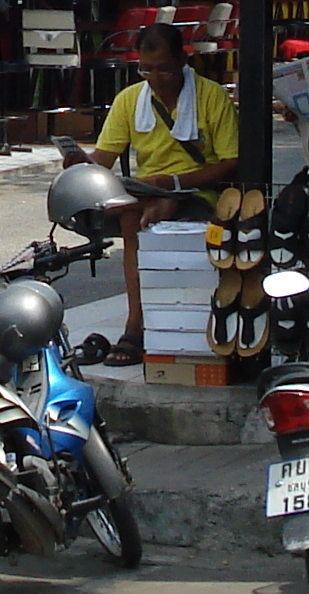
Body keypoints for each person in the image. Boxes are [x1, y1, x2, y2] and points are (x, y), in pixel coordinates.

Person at [82, 20, 239, 364]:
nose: (155, 78)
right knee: (131, 214)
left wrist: (173, 184)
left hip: (198, 191)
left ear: (183, 62)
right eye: (146, 70)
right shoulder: (130, 100)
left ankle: (135, 326)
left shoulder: (211, 97)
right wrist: (78, 165)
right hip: (146, 191)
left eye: (164, 70)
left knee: (141, 215)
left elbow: (230, 163)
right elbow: (103, 159)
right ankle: (137, 320)